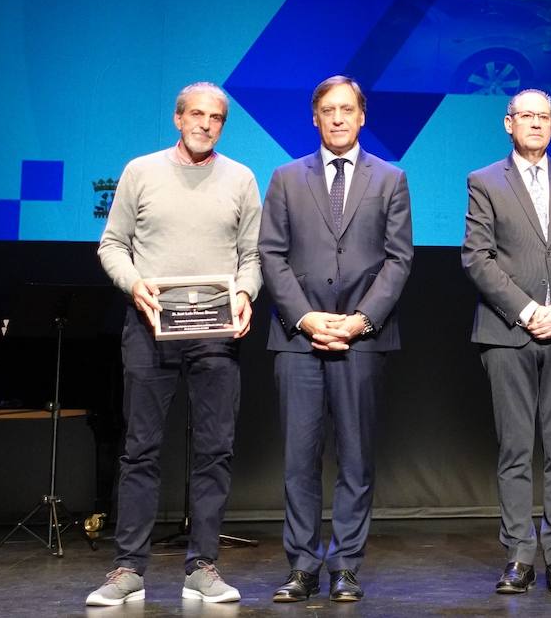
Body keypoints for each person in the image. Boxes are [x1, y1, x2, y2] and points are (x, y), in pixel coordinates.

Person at [87, 82, 261, 606]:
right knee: (140, 449)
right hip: (149, 327)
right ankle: (127, 569)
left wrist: (246, 294)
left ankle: (203, 566)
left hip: (214, 331)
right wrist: (134, 283)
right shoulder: (141, 171)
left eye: (216, 118)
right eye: (197, 115)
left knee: (215, 449)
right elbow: (112, 245)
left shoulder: (242, 178)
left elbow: (251, 257)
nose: (206, 124)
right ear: (178, 118)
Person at [259, 76, 414, 603]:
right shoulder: (285, 177)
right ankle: (302, 565)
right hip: (297, 339)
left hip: (363, 339)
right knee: (299, 459)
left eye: (348, 109)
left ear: (362, 116)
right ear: (315, 117)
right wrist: (305, 318)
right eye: (329, 110)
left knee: (356, 458)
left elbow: (399, 260)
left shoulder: (390, 178)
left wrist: (360, 320)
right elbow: (271, 255)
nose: (339, 118)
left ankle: (346, 564)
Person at [462, 89, 551, 594]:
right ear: (509, 123)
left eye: (545, 117)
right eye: (527, 116)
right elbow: (477, 257)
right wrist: (527, 311)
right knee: (516, 449)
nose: (537, 124)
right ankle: (520, 554)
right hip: (508, 331)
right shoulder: (484, 181)